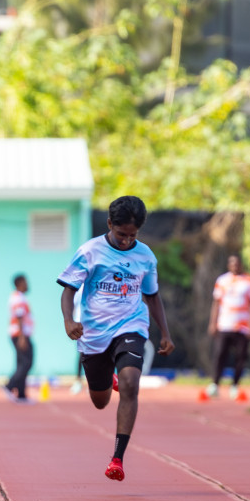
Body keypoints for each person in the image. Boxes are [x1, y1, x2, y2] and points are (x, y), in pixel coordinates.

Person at [58, 195, 174, 484]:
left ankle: (117, 458)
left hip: (131, 325)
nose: (126, 241)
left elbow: (152, 295)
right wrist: (69, 321)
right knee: (99, 401)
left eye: (132, 235)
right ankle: (109, 378)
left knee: (132, 385)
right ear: (109, 224)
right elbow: (69, 290)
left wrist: (165, 334)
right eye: (121, 234)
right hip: (95, 334)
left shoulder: (145, 256)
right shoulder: (90, 252)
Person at [207, 254, 250, 401]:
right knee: (219, 355)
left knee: (240, 357)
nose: (235, 266)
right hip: (225, 324)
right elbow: (216, 303)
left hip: (242, 327)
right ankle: (215, 385)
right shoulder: (222, 280)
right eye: (232, 263)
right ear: (228, 265)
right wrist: (213, 323)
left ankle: (235, 386)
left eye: (237, 263)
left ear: (241, 265)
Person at [6, 274, 34, 402]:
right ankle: (10, 386)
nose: (27, 284)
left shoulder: (19, 297)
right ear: (19, 284)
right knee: (27, 363)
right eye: (25, 282)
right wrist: (22, 337)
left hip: (19, 334)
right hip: (20, 334)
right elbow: (19, 316)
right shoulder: (18, 298)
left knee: (22, 364)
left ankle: (21, 394)